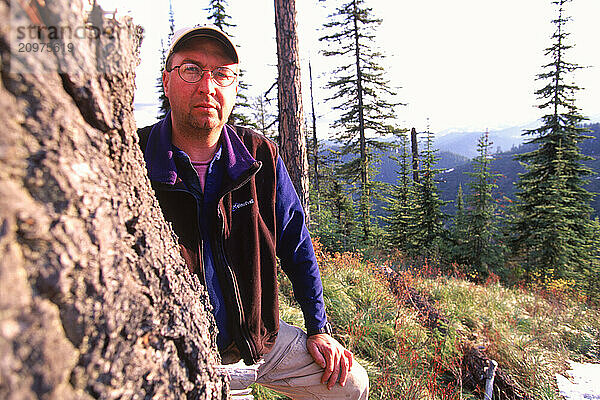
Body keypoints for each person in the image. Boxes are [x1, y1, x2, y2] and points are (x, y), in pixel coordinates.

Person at [137, 25, 369, 399]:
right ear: (167, 81)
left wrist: (318, 327)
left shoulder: (258, 156)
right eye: (191, 69)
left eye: (222, 74)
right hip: (182, 356)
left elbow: (296, 243)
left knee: (350, 385)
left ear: (234, 87)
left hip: (258, 340)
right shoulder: (136, 159)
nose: (207, 86)